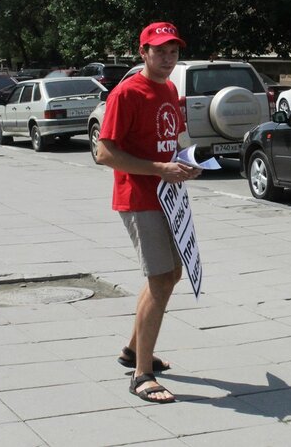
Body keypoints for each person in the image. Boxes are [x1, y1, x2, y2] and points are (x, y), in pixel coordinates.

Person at [96, 21, 201, 403]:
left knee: (170, 273)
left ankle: (132, 350)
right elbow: (104, 153)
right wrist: (160, 170)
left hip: (168, 196)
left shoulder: (170, 87)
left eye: (173, 51)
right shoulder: (127, 93)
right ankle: (142, 375)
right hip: (139, 198)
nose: (168, 58)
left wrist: (184, 163)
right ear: (143, 52)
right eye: (160, 51)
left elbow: (169, 140)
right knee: (161, 279)